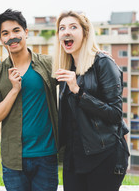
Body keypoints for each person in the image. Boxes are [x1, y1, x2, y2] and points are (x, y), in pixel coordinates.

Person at [53, 11, 129, 191]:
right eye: (62, 28)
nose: (66, 32)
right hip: (74, 157)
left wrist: (79, 92)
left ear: (85, 33)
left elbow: (116, 114)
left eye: (73, 27)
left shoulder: (103, 63)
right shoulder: (66, 67)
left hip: (105, 155)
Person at [0, 9, 59, 191]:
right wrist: (14, 90)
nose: (12, 37)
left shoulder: (48, 63)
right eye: (5, 33)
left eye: (16, 30)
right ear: (0, 39)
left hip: (46, 155)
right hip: (13, 160)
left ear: (26, 32)